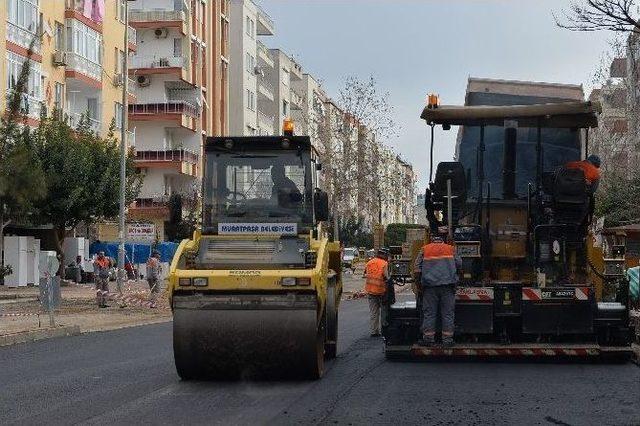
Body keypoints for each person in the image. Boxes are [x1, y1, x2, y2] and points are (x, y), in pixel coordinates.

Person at [414, 236, 461, 347]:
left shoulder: (425, 249)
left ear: (431, 240)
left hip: (430, 287)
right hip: (448, 287)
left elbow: (417, 267)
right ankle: (447, 340)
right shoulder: (450, 248)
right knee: (448, 314)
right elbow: (459, 263)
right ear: (443, 240)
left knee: (429, 313)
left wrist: (418, 283)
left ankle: (429, 339)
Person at [363, 248, 390, 337]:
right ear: (384, 255)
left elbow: (365, 274)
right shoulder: (384, 263)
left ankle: (374, 331)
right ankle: (384, 330)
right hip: (381, 291)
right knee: (384, 311)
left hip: (370, 290)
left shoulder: (369, 263)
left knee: (374, 312)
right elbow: (386, 277)